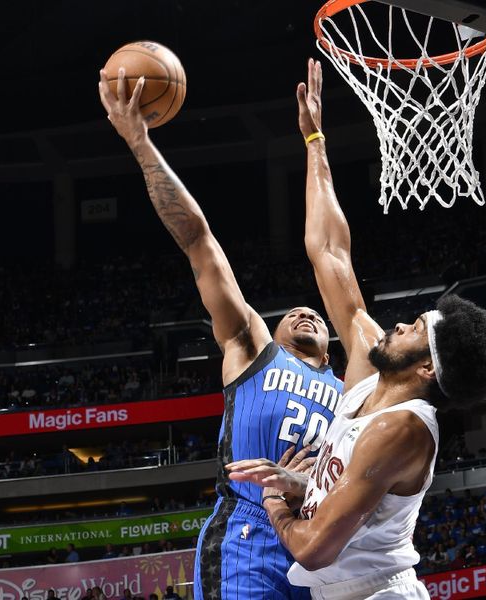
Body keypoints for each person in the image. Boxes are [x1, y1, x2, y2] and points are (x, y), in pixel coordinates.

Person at [226, 59, 486, 600]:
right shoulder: (365, 384)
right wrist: (314, 140)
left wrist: (276, 505)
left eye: (416, 328)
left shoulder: (402, 427)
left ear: (427, 367)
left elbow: (313, 549)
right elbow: (330, 253)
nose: (399, 323)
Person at [99, 68, 344, 600]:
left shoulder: (352, 393)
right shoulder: (253, 348)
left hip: (323, 551)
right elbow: (197, 239)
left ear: (333, 343)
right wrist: (140, 144)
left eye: (316, 316)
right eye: (291, 314)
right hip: (249, 543)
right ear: (272, 332)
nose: (305, 311)